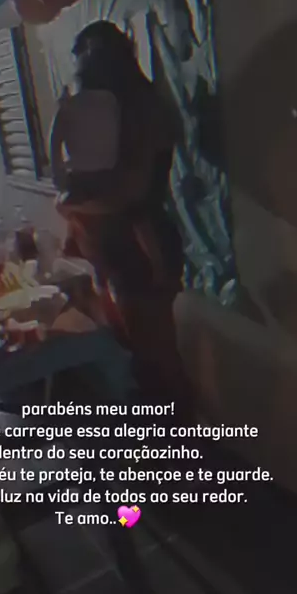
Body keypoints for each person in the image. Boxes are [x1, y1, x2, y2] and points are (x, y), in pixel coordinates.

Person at [54, 21, 192, 412]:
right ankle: (164, 428)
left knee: (158, 358)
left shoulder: (142, 108)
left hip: (142, 246)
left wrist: (75, 205)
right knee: (137, 353)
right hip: (116, 246)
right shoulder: (107, 108)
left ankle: (183, 435)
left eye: (87, 62)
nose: (82, 74)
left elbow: (132, 192)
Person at [50, 85, 167, 285]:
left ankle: (117, 272)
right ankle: (152, 269)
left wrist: (61, 183)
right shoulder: (108, 102)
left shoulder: (82, 105)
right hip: (102, 181)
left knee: (71, 211)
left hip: (96, 184)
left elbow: (54, 146)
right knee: (134, 216)